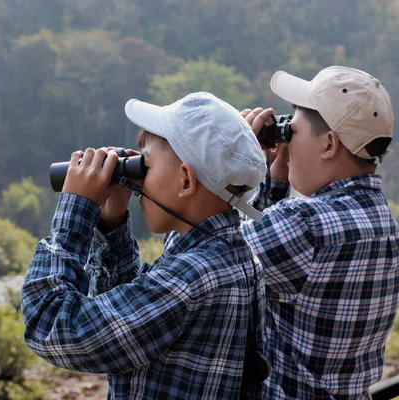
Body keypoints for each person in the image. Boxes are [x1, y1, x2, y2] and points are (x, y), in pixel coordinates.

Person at [21, 92, 269, 399]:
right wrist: (112, 227)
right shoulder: (223, 255)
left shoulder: (192, 277)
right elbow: (125, 321)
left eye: (144, 166)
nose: (136, 182)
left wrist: (76, 210)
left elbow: (51, 326)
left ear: (185, 182)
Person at [240, 66, 399, 399]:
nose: (285, 142)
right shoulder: (386, 227)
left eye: (291, 132)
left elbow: (203, 255)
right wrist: (276, 179)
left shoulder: (306, 224)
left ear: (329, 144)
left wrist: (237, 165)